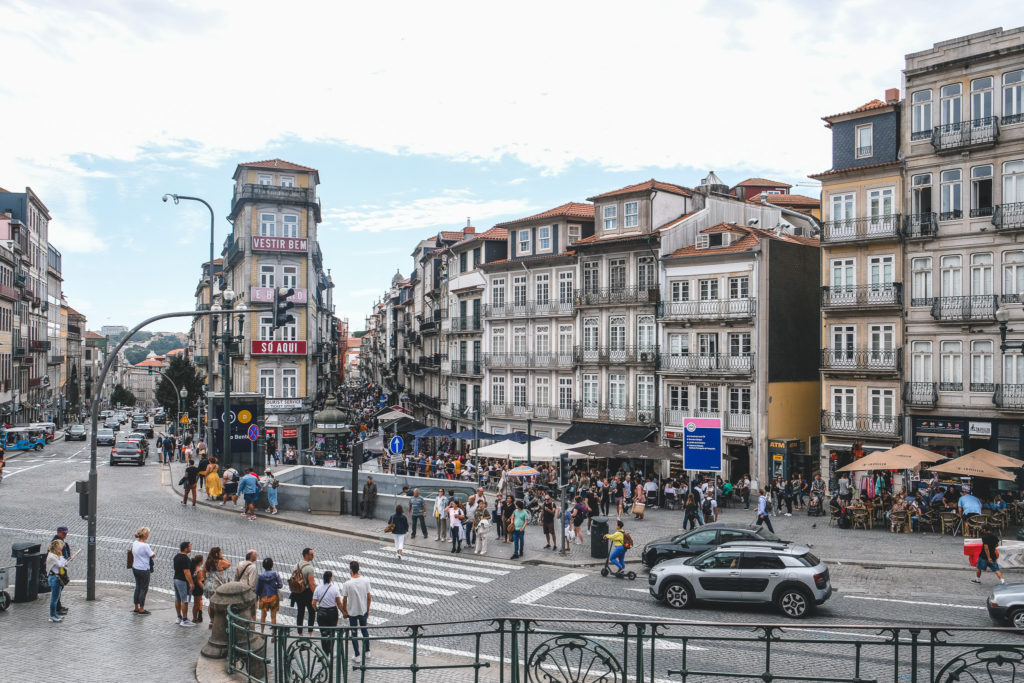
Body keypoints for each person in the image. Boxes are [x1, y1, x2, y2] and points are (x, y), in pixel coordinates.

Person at [341, 560, 373, 663]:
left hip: (352, 612)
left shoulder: (347, 584)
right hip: (363, 610)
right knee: (365, 631)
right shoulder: (366, 581)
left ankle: (357, 655)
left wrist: (344, 611)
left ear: (350, 570)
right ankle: (367, 651)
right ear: (359, 569)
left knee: (354, 633)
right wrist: (367, 610)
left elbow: (344, 599)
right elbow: (369, 597)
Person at [312, 570, 343, 663]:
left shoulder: (318, 588)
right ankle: (330, 652)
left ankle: (324, 653)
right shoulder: (335, 588)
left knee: (323, 634)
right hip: (332, 613)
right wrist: (344, 612)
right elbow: (339, 603)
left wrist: (317, 610)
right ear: (330, 578)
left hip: (321, 613)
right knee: (332, 633)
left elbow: (313, 603)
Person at [203, 548, 231, 628]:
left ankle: (211, 621)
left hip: (210, 586)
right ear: (217, 554)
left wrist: (205, 580)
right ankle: (220, 622)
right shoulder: (221, 562)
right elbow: (229, 564)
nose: (221, 553)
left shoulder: (208, 562)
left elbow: (203, 571)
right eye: (220, 552)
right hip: (219, 587)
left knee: (211, 604)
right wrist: (222, 557)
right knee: (221, 604)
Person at [292, 548, 318, 635]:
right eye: (311, 554)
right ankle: (310, 632)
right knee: (311, 612)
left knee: (300, 612)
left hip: (298, 593)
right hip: (307, 593)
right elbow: (311, 584)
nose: (313, 556)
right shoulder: (310, 568)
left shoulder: (296, 565)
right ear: (306, 555)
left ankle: (300, 633)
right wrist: (315, 596)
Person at [131, 527, 155, 615]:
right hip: (144, 569)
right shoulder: (145, 546)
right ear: (145, 535)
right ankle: (141, 608)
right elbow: (152, 555)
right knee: (144, 588)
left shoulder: (135, 543)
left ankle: (136, 607)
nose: (148, 535)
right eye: (148, 533)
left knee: (138, 587)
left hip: (135, 567)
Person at [256, 557, 283, 633]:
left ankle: (261, 632)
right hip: (274, 596)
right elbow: (280, 585)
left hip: (264, 597)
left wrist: (257, 597)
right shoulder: (275, 574)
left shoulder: (261, 576)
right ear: (272, 565)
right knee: (273, 616)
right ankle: (273, 633)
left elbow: (258, 588)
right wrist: (275, 586)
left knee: (263, 616)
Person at [45, 539, 69, 623]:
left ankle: (55, 614)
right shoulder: (52, 556)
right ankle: (52, 616)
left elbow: (62, 563)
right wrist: (63, 558)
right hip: (54, 578)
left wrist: (63, 558)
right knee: (54, 599)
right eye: (60, 547)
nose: (61, 549)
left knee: (56, 597)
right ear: (56, 547)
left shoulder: (54, 555)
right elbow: (61, 565)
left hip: (56, 578)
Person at [173, 541, 197, 626]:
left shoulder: (176, 556)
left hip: (176, 579)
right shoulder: (185, 558)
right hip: (183, 581)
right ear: (186, 549)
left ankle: (179, 617)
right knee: (184, 600)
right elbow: (186, 572)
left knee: (177, 599)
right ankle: (185, 619)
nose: (191, 548)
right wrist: (191, 583)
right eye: (190, 546)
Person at [50, 526, 71, 615]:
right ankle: (57, 609)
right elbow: (58, 559)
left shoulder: (61, 541)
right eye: (63, 533)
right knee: (58, 587)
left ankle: (59, 606)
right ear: (58, 532)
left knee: (61, 586)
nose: (65, 535)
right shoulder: (56, 542)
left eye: (66, 533)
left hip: (61, 568)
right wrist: (66, 560)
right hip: (58, 569)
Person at [190, 554, 206, 624]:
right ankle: (194, 618)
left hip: (196, 587)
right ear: (200, 561)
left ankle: (197, 616)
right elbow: (199, 581)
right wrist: (204, 588)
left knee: (198, 602)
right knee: (196, 603)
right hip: (198, 588)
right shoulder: (199, 570)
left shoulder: (194, 568)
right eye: (203, 560)